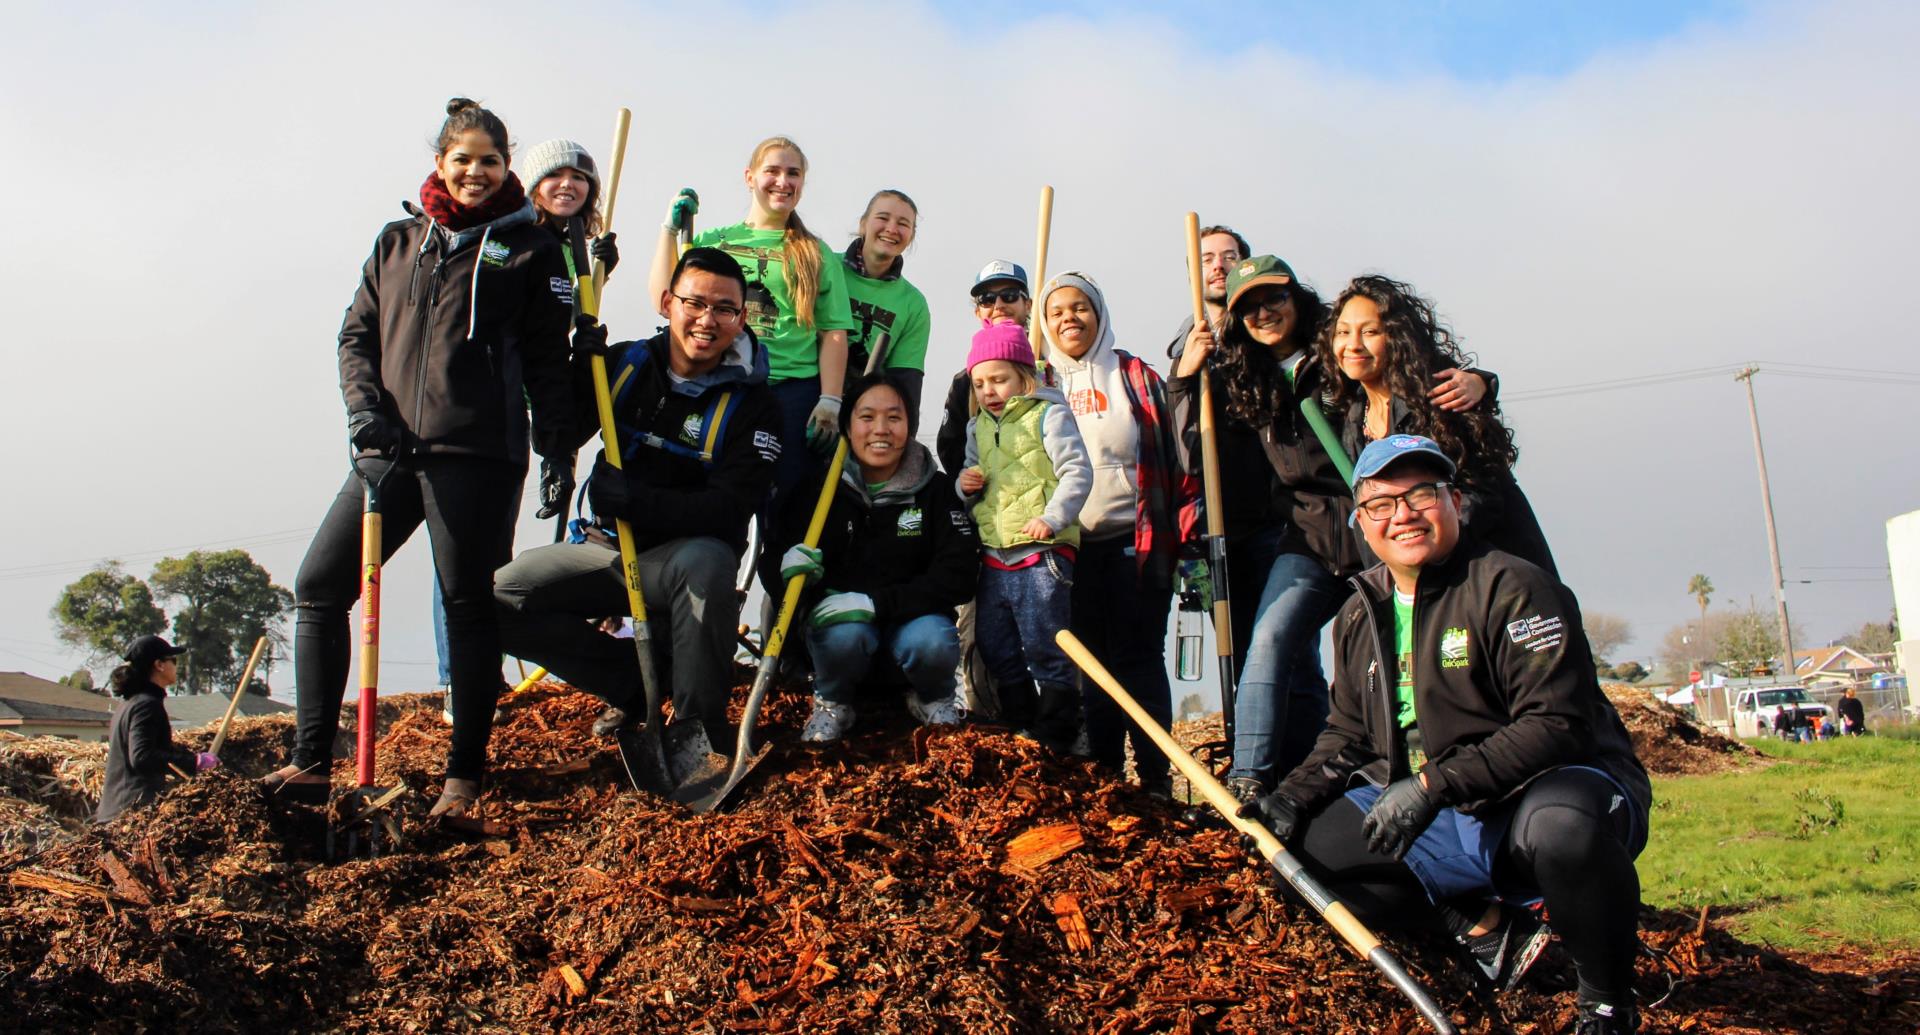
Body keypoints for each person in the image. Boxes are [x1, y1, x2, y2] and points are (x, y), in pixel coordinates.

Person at [1242, 435, 1652, 1034]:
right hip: (1439, 810)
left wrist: (1433, 784)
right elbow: (1347, 735)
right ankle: (1479, 924)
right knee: (1290, 857)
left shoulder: (1515, 587)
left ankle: (1606, 1004)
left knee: (1567, 829)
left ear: (1455, 501)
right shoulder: (1361, 610)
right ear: (1361, 523)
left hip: (1541, 796)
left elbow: (1557, 725)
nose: (1402, 515)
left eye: (1421, 495)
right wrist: (1287, 798)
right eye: (1381, 504)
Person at [265, 99, 575, 816]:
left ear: (507, 168)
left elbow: (547, 363)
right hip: (390, 451)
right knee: (318, 585)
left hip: (478, 454)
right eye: (462, 158)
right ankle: (311, 762)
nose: (475, 172)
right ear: (440, 162)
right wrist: (365, 414)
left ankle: (463, 776)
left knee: (468, 603)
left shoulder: (531, 248)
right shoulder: (398, 239)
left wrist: (555, 445)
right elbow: (356, 336)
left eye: (490, 161)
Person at [1173, 256, 1491, 801]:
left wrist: (1482, 380)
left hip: (1378, 525)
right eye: (1248, 307)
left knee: (1385, 654)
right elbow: (1196, 454)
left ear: (1297, 300)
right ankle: (1249, 778)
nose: (1264, 313)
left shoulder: (1337, 354)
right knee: (1270, 640)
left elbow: (1411, 371)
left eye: (1274, 299)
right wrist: (1185, 378)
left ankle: (1401, 772)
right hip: (1307, 536)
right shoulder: (1239, 379)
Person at [494, 247, 781, 746]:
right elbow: (558, 433)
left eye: (724, 309)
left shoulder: (757, 407)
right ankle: (630, 683)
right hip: (606, 549)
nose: (706, 320)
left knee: (709, 564)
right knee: (498, 597)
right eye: (694, 303)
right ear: (668, 302)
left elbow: (730, 508)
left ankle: (699, 729)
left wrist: (638, 500)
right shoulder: (624, 364)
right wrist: (573, 368)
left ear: (740, 320)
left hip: (684, 561)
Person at [647, 137, 855, 597]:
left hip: (790, 393)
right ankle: (700, 624)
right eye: (773, 171)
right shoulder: (715, 241)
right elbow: (666, 299)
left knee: (785, 517)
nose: (783, 182)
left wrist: (830, 399)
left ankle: (783, 644)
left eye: (793, 174)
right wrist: (668, 230)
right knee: (715, 508)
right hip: (722, 387)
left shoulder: (815, 253)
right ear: (750, 177)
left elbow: (833, 332)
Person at [1039, 271, 1197, 795]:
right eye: (1057, 310)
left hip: (1136, 539)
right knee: (1090, 664)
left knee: (1139, 657)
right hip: (1068, 549)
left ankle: (1155, 776)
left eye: (1080, 307)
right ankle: (1104, 775)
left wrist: (1186, 536)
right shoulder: (1038, 381)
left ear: (1100, 313)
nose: (1069, 319)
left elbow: (1174, 455)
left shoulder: (1134, 375)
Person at [780, 372, 979, 743]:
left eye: (894, 417)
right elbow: (781, 559)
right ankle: (832, 704)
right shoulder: (820, 490)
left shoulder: (935, 491)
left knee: (933, 641)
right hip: (842, 640)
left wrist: (875, 603)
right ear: (848, 425)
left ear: (910, 424)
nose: (881, 429)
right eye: (867, 417)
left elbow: (959, 574)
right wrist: (790, 569)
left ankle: (932, 699)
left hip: (913, 632)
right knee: (842, 635)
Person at [1320, 274, 1556, 574]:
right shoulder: (1354, 417)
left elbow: (1480, 495)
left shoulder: (1440, 395)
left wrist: (1425, 550)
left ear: (1396, 337)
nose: (1353, 345)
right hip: (1421, 577)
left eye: (1370, 331)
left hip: (1492, 572)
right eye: (1343, 332)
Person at [957, 321, 1092, 752]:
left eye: (999, 379)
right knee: (994, 642)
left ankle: (1058, 730)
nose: (989, 390)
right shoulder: (975, 427)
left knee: (1044, 640)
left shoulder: (1048, 415)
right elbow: (966, 475)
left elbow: (1077, 472)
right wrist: (966, 485)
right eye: (980, 383)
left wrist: (1053, 518)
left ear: (1024, 377)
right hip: (994, 550)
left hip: (1042, 550)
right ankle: (1020, 717)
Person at [935, 260, 1033, 721]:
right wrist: (969, 484)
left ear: (1028, 303)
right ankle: (996, 723)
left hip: (1049, 532)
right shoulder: (967, 383)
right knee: (985, 636)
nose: (999, 306)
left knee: (1054, 637)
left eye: (1009, 295)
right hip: (990, 531)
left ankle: (1069, 734)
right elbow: (951, 449)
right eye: (987, 298)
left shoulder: (1051, 371)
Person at [96, 636, 220, 823]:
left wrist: (187, 756)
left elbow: (150, 749)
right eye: (173, 660)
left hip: (116, 812)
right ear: (159, 665)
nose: (176, 666)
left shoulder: (129, 703)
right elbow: (141, 756)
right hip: (130, 814)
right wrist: (194, 763)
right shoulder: (146, 705)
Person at [840, 190, 931, 412]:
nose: (891, 229)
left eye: (903, 224)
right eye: (882, 218)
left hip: (860, 416)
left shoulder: (914, 304)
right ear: (863, 224)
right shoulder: (826, 268)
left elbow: (905, 385)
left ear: (911, 237)